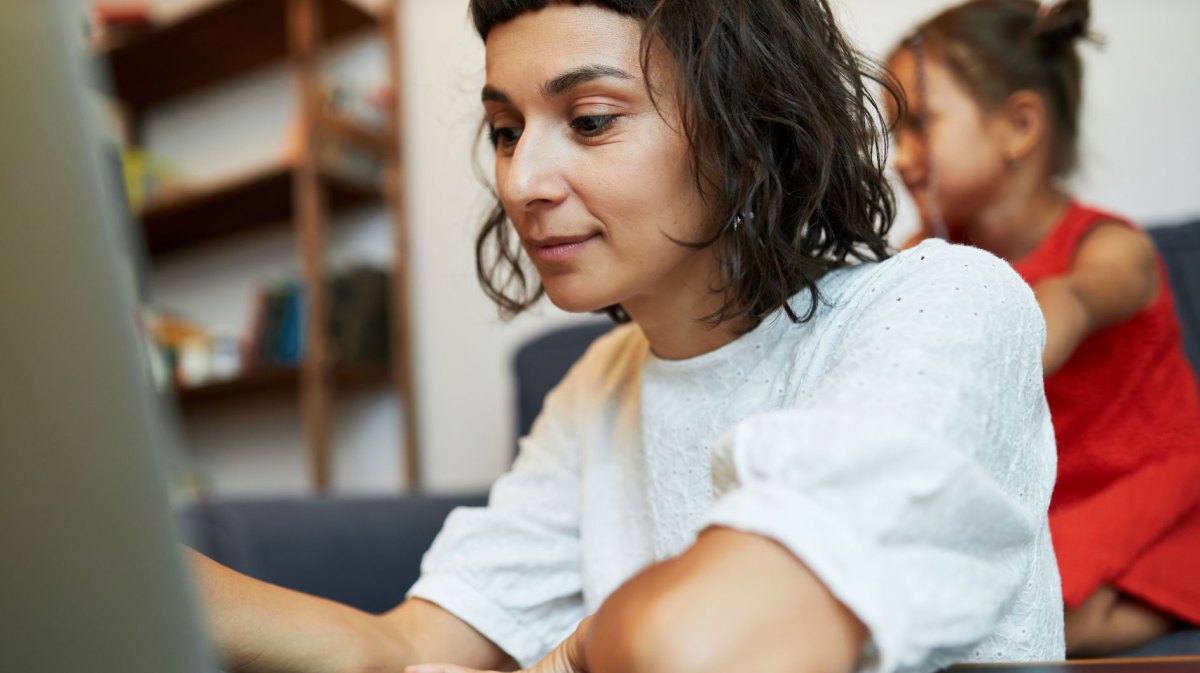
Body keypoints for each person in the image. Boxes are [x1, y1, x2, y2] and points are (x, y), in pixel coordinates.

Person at [193, 2, 1065, 672]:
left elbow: (706, 644)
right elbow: (408, 646)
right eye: (505, 131)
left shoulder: (946, 303)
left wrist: (578, 650)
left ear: (745, 132)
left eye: (591, 119)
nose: (523, 179)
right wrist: (115, 573)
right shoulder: (600, 384)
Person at [888, 0, 1200, 657]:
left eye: (919, 126)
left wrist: (1029, 317)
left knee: (1049, 622)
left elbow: (1075, 299)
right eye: (893, 133)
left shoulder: (1111, 247)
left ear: (1019, 126)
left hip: (1145, 492)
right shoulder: (927, 254)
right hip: (1033, 506)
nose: (900, 157)